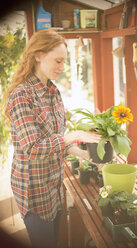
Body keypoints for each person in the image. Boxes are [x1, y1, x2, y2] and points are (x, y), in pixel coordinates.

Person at [4, 28, 101, 248]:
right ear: (38, 55)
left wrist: (84, 154)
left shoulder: (53, 91)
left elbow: (55, 141)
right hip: (34, 191)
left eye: (64, 62)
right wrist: (74, 135)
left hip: (54, 186)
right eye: (58, 61)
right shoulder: (21, 95)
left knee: (56, 241)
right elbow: (34, 147)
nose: (62, 67)